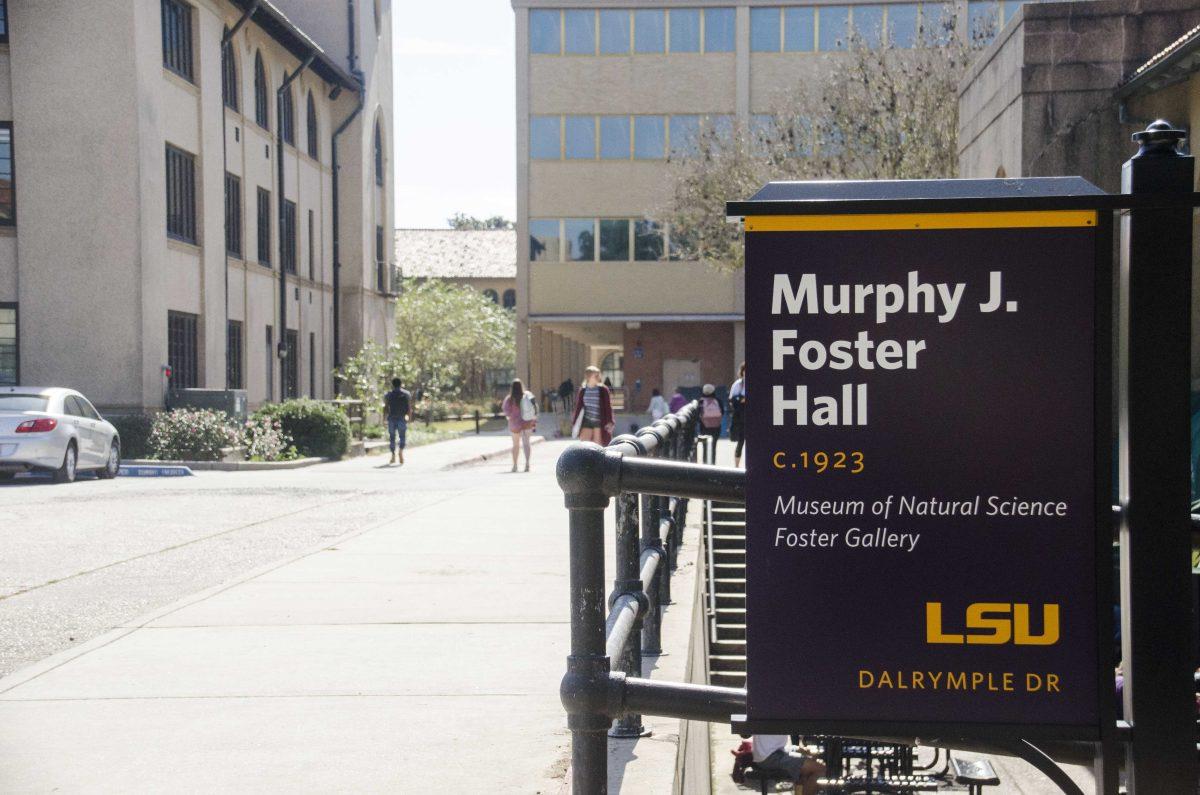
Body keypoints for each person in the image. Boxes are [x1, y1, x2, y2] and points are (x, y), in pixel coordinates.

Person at [751, 735, 825, 795]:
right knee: (821, 769)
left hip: (767, 754)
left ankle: (800, 791)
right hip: (770, 757)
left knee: (810, 762)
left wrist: (799, 749)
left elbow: (777, 746)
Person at [572, 365, 615, 445]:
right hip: (586, 421)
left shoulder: (603, 390)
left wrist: (610, 421)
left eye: (598, 375)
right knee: (584, 446)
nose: (598, 377)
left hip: (599, 421)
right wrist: (574, 422)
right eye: (596, 375)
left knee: (597, 446)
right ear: (589, 377)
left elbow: (608, 407)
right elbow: (578, 407)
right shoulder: (583, 390)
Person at [502, 378, 537, 473]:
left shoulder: (509, 399)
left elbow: (506, 411)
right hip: (527, 423)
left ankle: (515, 465)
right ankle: (527, 464)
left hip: (514, 424)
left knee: (515, 445)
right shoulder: (527, 396)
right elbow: (534, 408)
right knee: (526, 444)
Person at [382, 377, 411, 466]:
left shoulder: (388, 395)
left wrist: (384, 418)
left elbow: (385, 408)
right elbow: (409, 408)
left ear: (392, 384)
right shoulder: (406, 394)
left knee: (392, 437)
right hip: (402, 418)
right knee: (402, 436)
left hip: (391, 418)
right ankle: (401, 451)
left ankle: (393, 455)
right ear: (401, 384)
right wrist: (409, 417)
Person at [698, 383, 724, 461]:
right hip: (716, 427)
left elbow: (698, 414)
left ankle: (705, 462)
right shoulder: (718, 400)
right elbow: (722, 412)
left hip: (704, 426)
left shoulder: (701, 401)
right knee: (713, 446)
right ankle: (713, 463)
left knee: (705, 446)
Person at [728, 362, 746, 468]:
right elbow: (731, 399)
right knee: (740, 442)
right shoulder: (737, 384)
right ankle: (737, 466)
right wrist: (740, 399)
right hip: (740, 417)